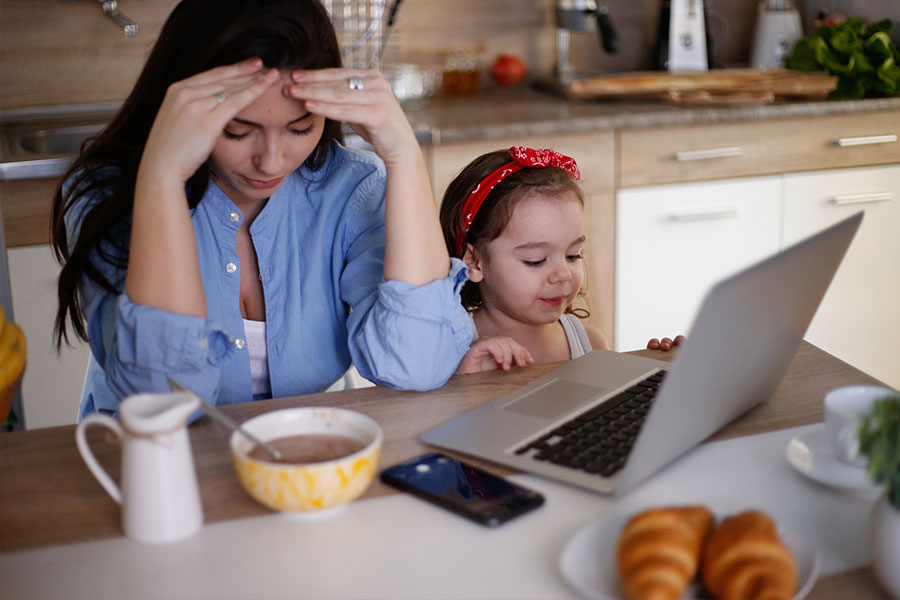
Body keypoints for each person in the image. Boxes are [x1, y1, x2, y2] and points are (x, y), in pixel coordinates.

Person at [51, 0, 474, 419]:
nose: (271, 162)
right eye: (238, 131)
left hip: (301, 462)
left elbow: (417, 364)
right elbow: (166, 403)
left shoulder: (350, 189)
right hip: (148, 469)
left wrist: (403, 154)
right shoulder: (108, 194)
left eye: (301, 128)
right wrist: (162, 176)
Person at [439, 147, 682, 373]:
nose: (564, 273)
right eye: (536, 260)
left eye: (573, 255)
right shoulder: (451, 350)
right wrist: (467, 377)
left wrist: (661, 370)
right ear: (474, 262)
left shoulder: (589, 343)